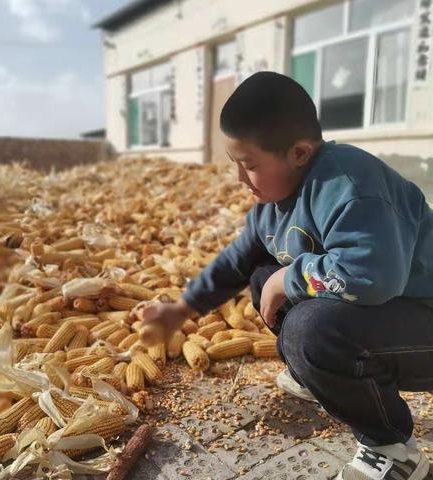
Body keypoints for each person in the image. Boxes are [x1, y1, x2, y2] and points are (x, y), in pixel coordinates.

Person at [143, 71, 433, 480]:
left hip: (423, 318)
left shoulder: (350, 185)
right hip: (388, 315)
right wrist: (181, 308)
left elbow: (373, 277)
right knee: (263, 276)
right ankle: (322, 375)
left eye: (249, 165)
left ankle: (393, 449)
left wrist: (291, 278)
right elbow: (235, 262)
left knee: (309, 328)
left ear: (299, 153)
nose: (240, 180)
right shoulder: (272, 203)